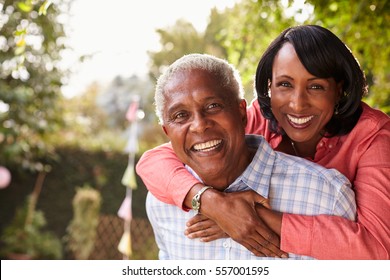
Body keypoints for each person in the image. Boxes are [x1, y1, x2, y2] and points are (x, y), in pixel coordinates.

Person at [137, 25, 390, 259]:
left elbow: (378, 251)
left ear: (339, 89)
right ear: (269, 87)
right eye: (284, 85)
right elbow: (154, 161)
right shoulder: (261, 116)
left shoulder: (373, 135)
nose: (297, 103)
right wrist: (212, 204)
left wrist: (247, 219)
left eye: (316, 87)